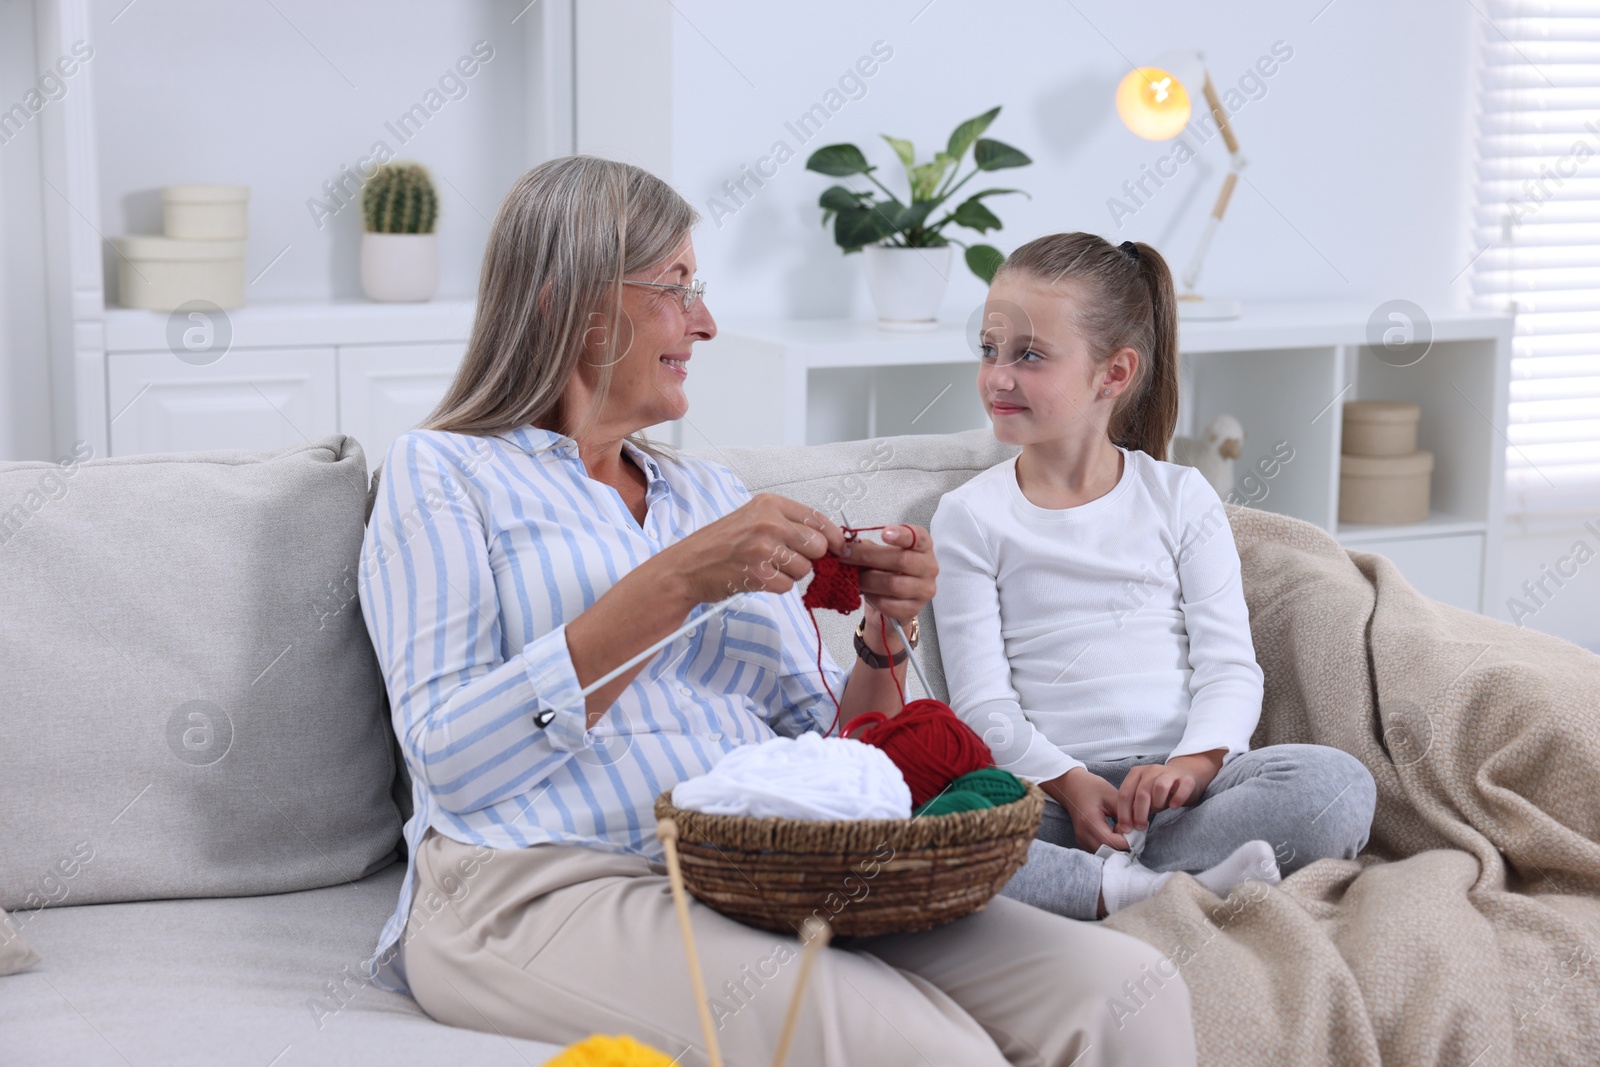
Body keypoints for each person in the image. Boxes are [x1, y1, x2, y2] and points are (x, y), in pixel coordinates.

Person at [356, 159, 1197, 1066]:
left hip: (761, 867)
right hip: (533, 879)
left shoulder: (705, 492)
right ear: (573, 304)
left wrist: (883, 633)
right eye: (676, 288)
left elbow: (833, 755)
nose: (706, 322)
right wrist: (677, 583)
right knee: (926, 1050)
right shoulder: (443, 474)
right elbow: (452, 757)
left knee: (1126, 996)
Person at [931, 232, 1378, 921]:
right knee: (928, 836)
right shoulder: (969, 516)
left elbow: (1230, 667)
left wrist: (1191, 767)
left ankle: (1120, 879)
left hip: (1186, 794)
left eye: (1029, 355)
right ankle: (1148, 886)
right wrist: (1073, 785)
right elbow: (984, 706)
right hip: (1050, 795)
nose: (998, 376)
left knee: (1338, 785)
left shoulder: (1179, 496)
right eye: (989, 350)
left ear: (1113, 374)